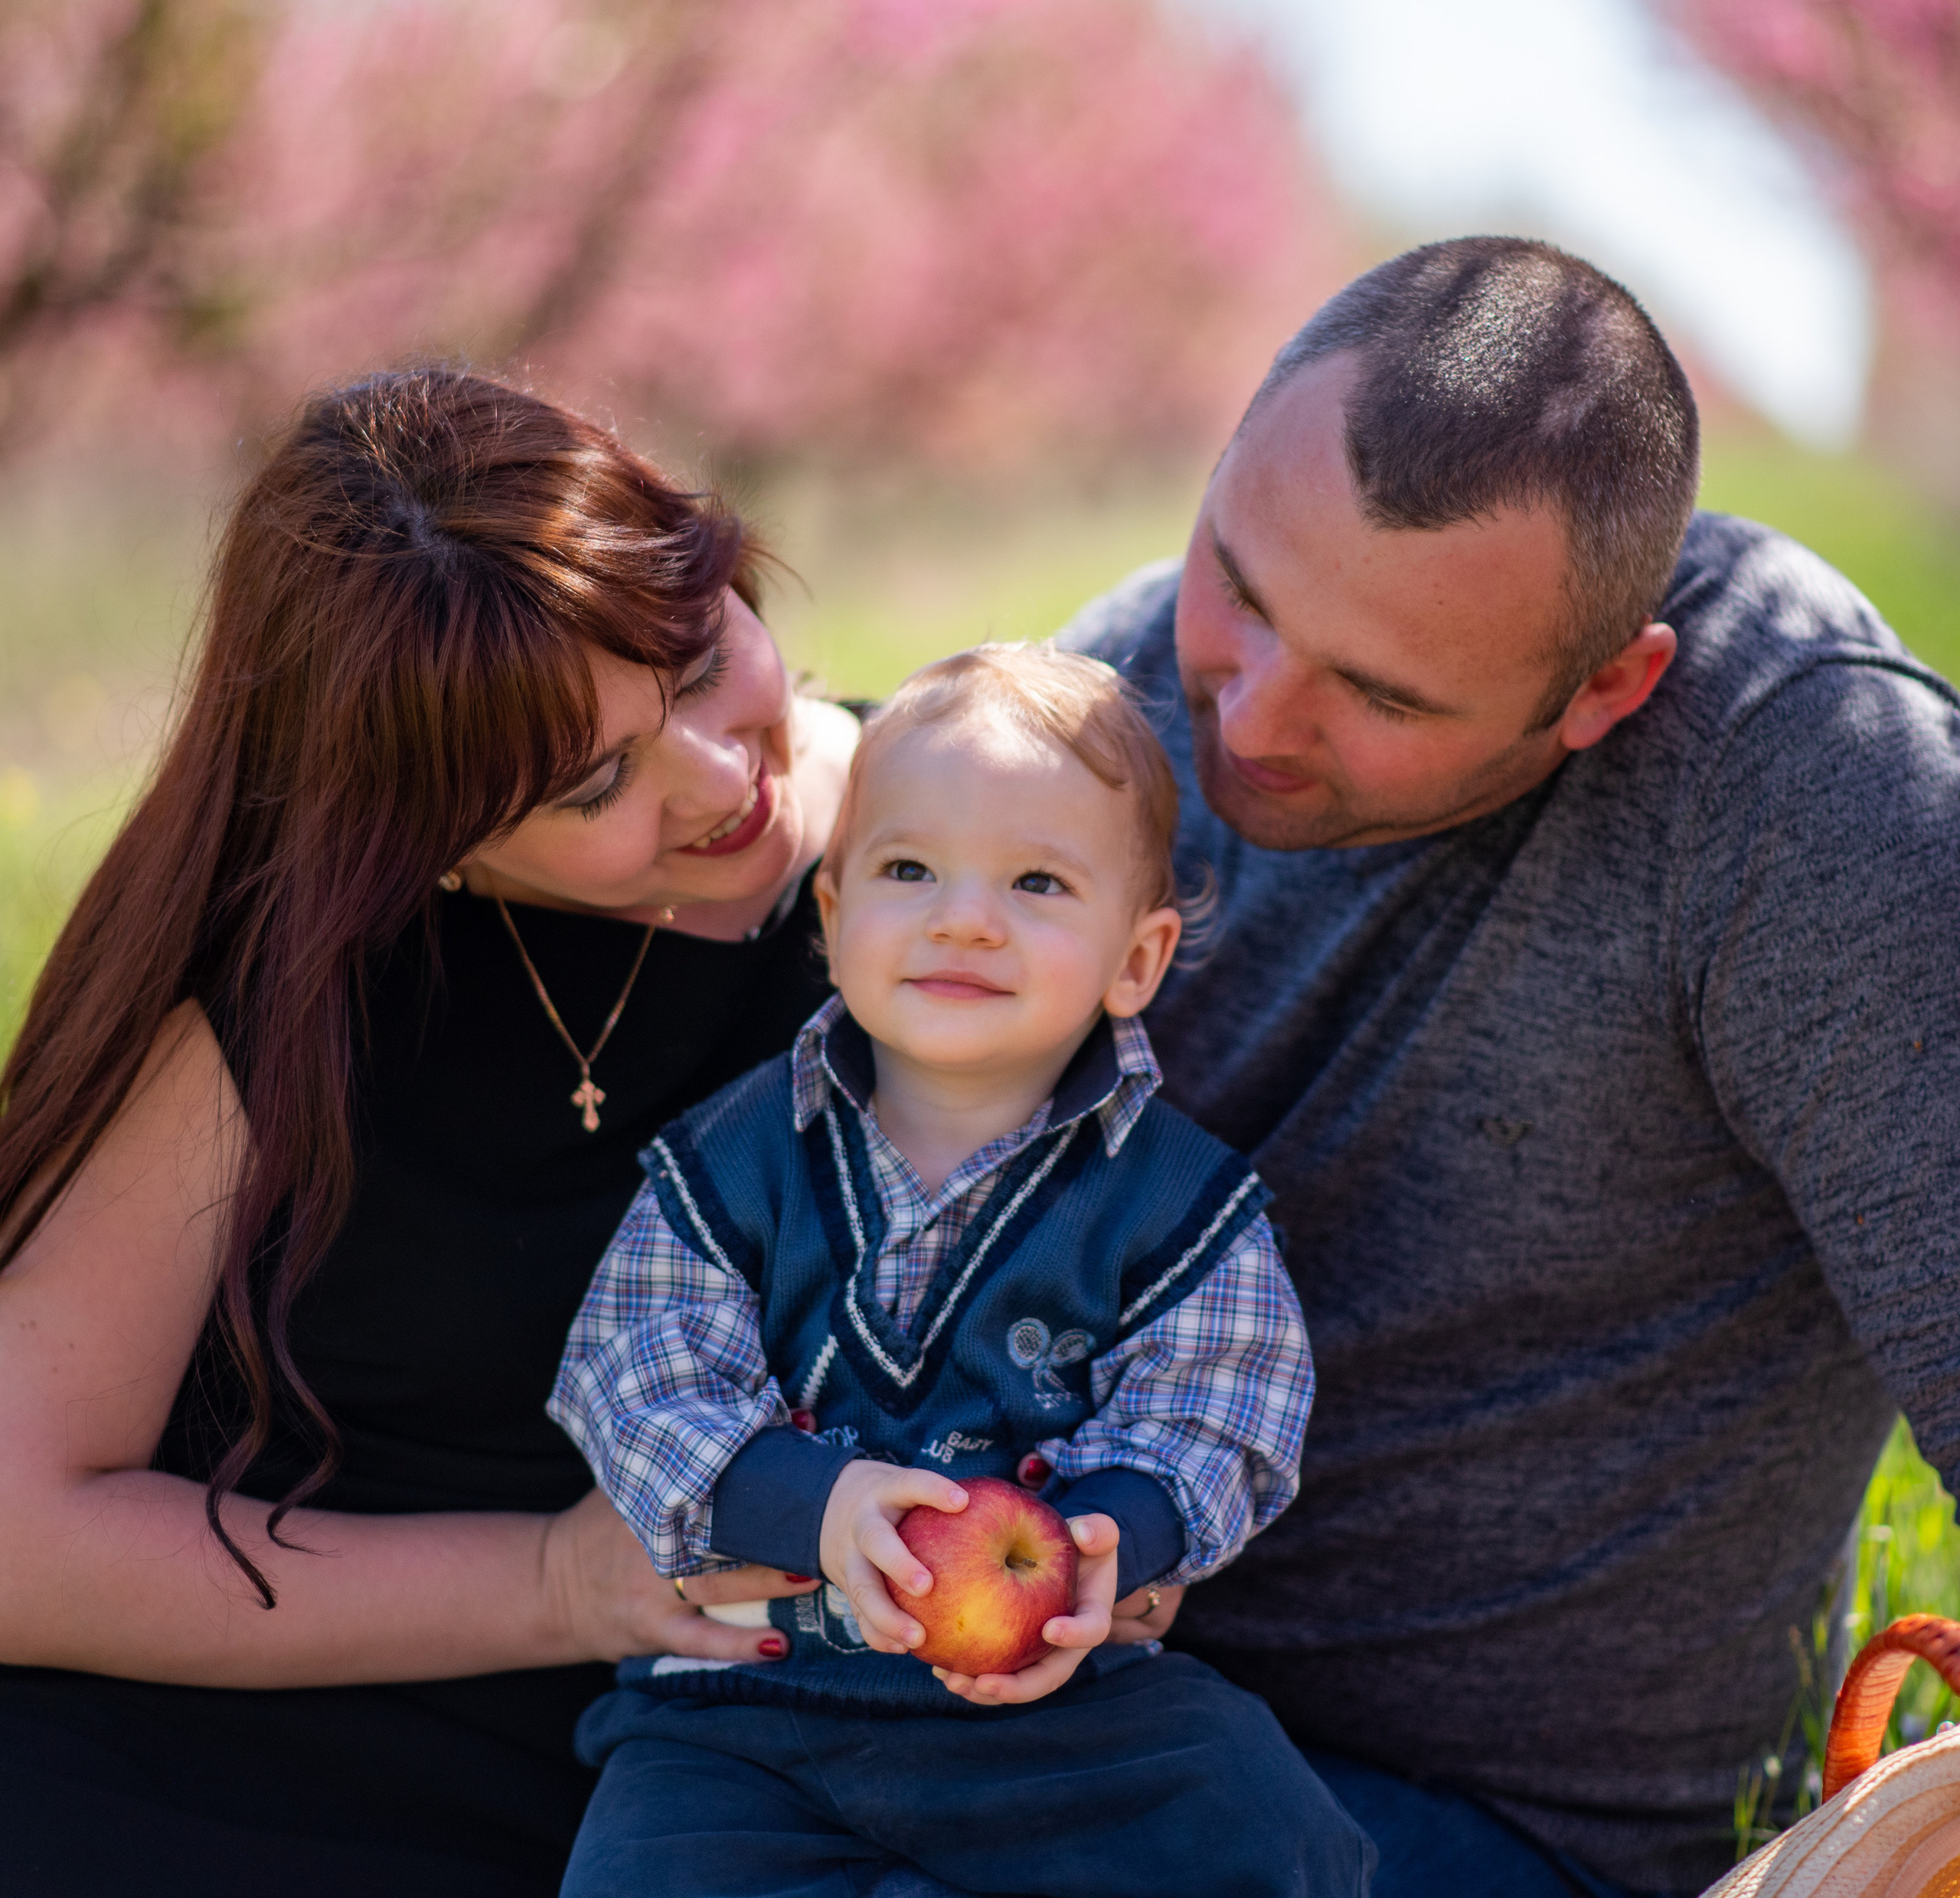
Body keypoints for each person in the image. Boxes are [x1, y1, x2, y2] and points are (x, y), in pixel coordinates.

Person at [1053, 236, 1960, 1897]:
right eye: (1238, 584)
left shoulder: (1800, 783)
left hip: (1475, 1824)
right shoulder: (1103, 698)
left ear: (1606, 688)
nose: (1245, 717)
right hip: (1039, 1715)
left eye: (1379, 692)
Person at [0, 366, 897, 1897]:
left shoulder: (951, 840)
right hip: (212, 1748)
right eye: (591, 781)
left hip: (703, 1789)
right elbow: (20, 1533)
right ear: (420, 830)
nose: (714, 778)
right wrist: (553, 1581)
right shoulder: (282, 989)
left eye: (691, 661)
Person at [548, 642, 1370, 1898]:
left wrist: (1118, 1539)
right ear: (832, 919)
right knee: (637, 1876)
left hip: (1058, 1705)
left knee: (1264, 1824)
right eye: (909, 869)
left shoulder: (1174, 1202)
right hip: (748, 1705)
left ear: (1136, 961)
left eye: (1037, 882)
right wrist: (812, 1509)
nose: (964, 918)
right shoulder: (737, 1160)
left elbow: (1232, 1404)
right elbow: (637, 1376)